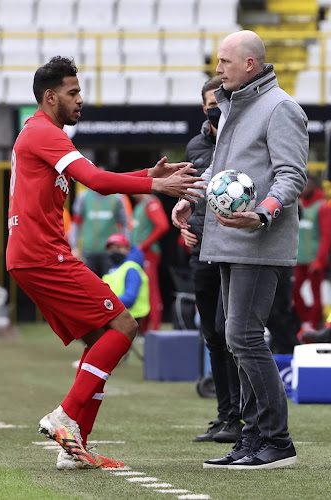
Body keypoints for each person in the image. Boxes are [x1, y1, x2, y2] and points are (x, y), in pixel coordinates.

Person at [6, 56, 203, 470]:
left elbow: (90, 178)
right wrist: (157, 185)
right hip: (43, 255)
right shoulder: (44, 132)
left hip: (32, 256)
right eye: (73, 93)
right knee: (126, 325)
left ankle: (75, 449)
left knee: (102, 340)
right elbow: (95, 182)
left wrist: (149, 172)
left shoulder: (44, 134)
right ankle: (65, 417)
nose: (81, 100)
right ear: (50, 96)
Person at [172, 30, 308, 469]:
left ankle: (277, 441)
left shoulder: (281, 108)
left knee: (243, 338)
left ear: (250, 64)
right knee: (237, 340)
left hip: (258, 241)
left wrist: (263, 213)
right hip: (228, 240)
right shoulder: (234, 105)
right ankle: (252, 439)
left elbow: (291, 176)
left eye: (224, 61)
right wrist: (189, 198)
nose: (217, 68)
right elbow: (221, 171)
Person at [181, 76, 243, 444]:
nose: (213, 108)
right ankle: (226, 416)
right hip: (200, 248)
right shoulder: (195, 145)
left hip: (233, 248)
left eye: (218, 102)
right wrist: (185, 220)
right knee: (213, 338)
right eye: (208, 103)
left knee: (228, 332)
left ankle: (245, 415)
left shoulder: (241, 139)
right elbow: (194, 193)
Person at [293, 173, 331, 330]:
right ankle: (306, 321)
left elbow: (327, 235)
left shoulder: (322, 206)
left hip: (314, 260)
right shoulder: (299, 204)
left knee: (316, 294)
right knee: (294, 291)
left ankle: (313, 325)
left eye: (307, 184)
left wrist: (319, 260)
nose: (304, 188)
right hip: (299, 259)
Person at [70, 178, 130, 277]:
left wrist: (125, 245)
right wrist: (74, 246)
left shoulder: (118, 198)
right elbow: (76, 224)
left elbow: (125, 223)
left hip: (110, 252)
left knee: (110, 284)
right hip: (88, 251)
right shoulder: (83, 197)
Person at [130, 193, 169, 332]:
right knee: (144, 292)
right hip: (139, 254)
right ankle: (145, 330)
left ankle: (155, 330)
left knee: (152, 291)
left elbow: (163, 225)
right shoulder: (140, 204)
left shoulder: (151, 202)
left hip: (149, 254)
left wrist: (143, 245)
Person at [101, 233, 149, 325]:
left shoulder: (131, 268)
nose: (114, 252)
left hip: (131, 319)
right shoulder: (111, 271)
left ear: (127, 249)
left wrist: (104, 304)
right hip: (116, 315)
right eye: (111, 249)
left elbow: (130, 298)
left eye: (118, 248)